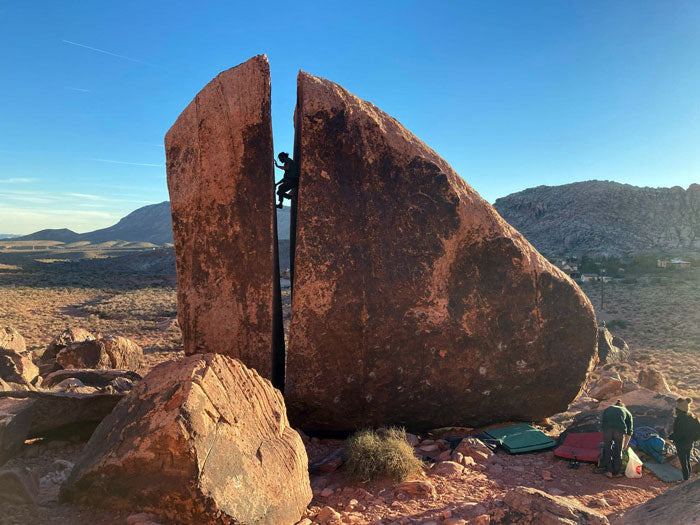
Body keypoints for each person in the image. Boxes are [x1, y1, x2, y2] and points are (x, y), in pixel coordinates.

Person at [669, 397, 700, 481]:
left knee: (683, 462)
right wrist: (693, 439)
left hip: (681, 443)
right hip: (690, 443)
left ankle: (685, 479)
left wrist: (670, 438)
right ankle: (688, 478)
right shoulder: (692, 417)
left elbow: (678, 433)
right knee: (687, 460)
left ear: (679, 408)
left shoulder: (679, 419)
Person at [601, 399, 633, 478]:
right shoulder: (627, 412)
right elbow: (629, 431)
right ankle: (616, 472)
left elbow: (603, 421)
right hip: (619, 431)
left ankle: (609, 471)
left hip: (607, 429)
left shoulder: (609, 408)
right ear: (623, 406)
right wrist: (625, 445)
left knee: (607, 449)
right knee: (618, 451)